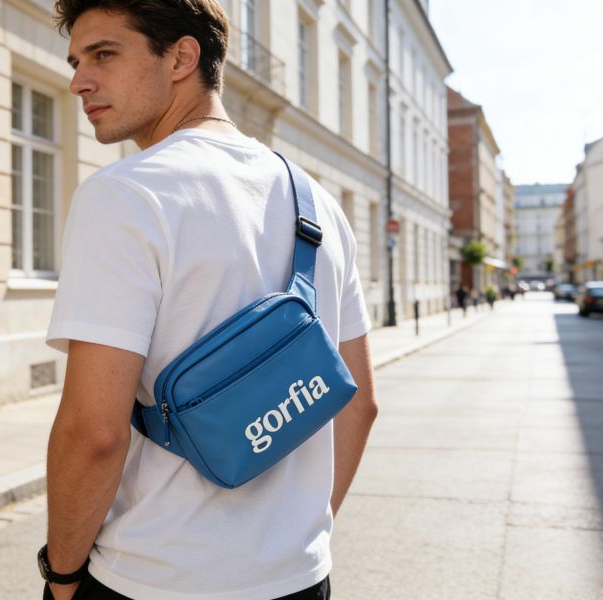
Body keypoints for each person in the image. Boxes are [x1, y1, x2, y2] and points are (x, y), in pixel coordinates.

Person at [40, 2, 378, 599]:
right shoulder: (319, 204)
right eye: (76, 61)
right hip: (302, 577)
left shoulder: (125, 194)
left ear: (182, 57)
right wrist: (296, 540)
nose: (78, 81)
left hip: (156, 577)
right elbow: (358, 403)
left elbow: (94, 432)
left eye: (104, 54)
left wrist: (62, 577)